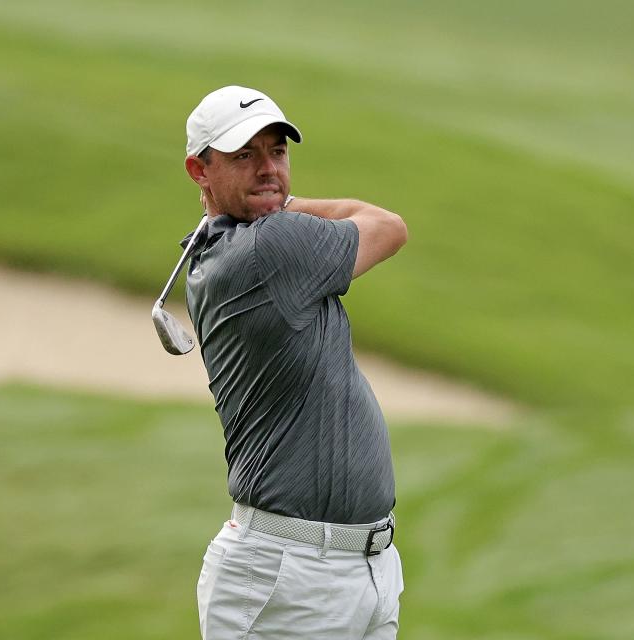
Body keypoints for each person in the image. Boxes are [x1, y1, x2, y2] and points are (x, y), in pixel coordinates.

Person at [181, 85, 408, 640]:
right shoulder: (270, 248)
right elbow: (386, 225)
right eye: (244, 156)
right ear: (199, 171)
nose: (267, 169)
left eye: (276, 153)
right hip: (290, 577)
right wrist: (284, 206)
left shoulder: (240, 244)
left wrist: (268, 203)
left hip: (358, 569)